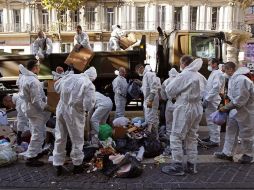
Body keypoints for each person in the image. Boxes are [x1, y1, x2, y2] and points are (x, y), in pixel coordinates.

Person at [162, 56, 203, 176]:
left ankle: (178, 166)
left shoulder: (184, 74)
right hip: (197, 107)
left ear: (183, 63)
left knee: (175, 136)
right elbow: (207, 90)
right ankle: (192, 165)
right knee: (192, 136)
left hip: (185, 107)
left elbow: (170, 90)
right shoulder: (199, 75)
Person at [53, 67, 96, 176]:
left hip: (61, 109)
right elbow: (89, 104)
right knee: (77, 139)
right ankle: (77, 165)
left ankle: (57, 164)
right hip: (75, 112)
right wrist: (84, 110)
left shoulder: (68, 77)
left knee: (60, 137)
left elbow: (56, 87)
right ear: (92, 77)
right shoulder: (88, 83)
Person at [214, 62, 254, 164]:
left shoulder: (241, 80)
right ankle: (227, 153)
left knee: (246, 133)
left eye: (225, 70)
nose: (223, 72)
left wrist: (226, 108)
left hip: (245, 111)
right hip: (235, 111)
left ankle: (249, 155)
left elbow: (240, 99)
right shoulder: (233, 79)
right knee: (231, 131)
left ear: (230, 69)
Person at [18, 61, 53, 167]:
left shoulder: (25, 77)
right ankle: (31, 157)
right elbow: (36, 100)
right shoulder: (33, 80)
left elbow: (29, 90)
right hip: (35, 111)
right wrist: (48, 107)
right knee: (38, 134)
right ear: (35, 68)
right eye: (38, 67)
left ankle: (36, 152)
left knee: (37, 132)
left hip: (30, 109)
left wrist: (43, 84)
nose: (39, 68)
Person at [201, 58, 225, 147]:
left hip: (212, 100)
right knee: (210, 120)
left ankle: (215, 140)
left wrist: (207, 99)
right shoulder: (214, 73)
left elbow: (216, 88)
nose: (208, 65)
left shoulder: (217, 74)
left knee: (213, 120)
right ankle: (212, 137)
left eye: (209, 63)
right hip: (211, 99)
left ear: (215, 64)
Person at [135, 64, 160, 136]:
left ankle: (153, 136)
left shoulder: (149, 74)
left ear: (140, 68)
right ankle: (153, 136)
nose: (138, 73)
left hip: (150, 99)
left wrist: (151, 99)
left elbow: (154, 86)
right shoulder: (146, 75)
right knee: (151, 117)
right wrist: (140, 83)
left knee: (151, 118)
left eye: (137, 71)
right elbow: (146, 87)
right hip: (149, 99)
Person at [160, 68, 179, 155]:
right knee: (178, 122)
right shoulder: (180, 79)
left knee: (169, 121)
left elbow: (162, 92)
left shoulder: (166, 81)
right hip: (178, 104)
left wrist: (165, 99)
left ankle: (169, 136)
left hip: (169, 103)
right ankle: (177, 138)